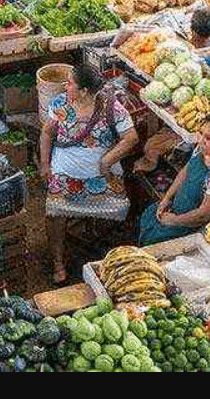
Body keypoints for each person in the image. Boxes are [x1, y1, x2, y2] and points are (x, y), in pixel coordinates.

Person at [40, 64, 139, 284]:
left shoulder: (111, 107)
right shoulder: (61, 104)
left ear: (84, 90)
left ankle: (103, 252)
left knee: (116, 208)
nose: (65, 86)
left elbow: (131, 138)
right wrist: (45, 165)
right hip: (65, 170)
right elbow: (47, 133)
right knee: (54, 213)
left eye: (70, 83)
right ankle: (58, 262)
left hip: (102, 173)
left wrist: (108, 160)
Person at [139, 111, 210, 246]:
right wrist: (167, 198)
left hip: (199, 229)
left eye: (208, 138)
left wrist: (174, 221)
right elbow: (185, 171)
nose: (200, 140)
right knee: (149, 219)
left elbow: (204, 215)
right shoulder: (206, 148)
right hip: (179, 210)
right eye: (200, 133)